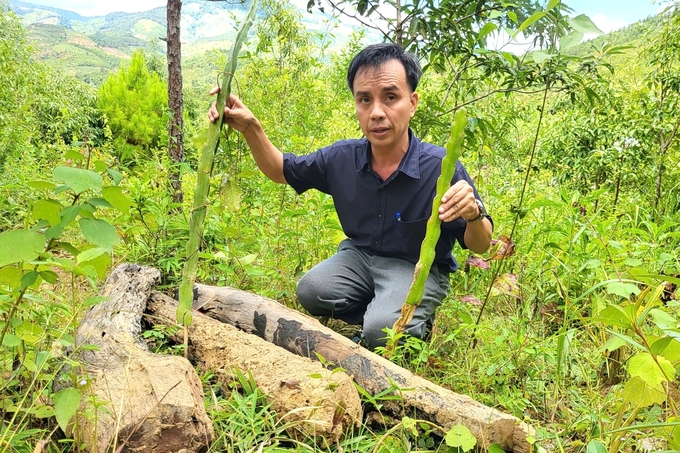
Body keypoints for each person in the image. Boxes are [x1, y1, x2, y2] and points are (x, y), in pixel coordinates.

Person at [209, 43, 493, 350]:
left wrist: (474, 214)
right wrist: (252, 127)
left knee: (382, 332)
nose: (377, 113)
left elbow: (480, 243)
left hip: (415, 268)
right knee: (311, 290)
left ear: (412, 103)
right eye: (365, 100)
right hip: (359, 258)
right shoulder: (342, 158)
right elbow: (281, 169)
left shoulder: (440, 168)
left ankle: (409, 324)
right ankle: (381, 312)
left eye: (391, 97)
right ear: (356, 105)